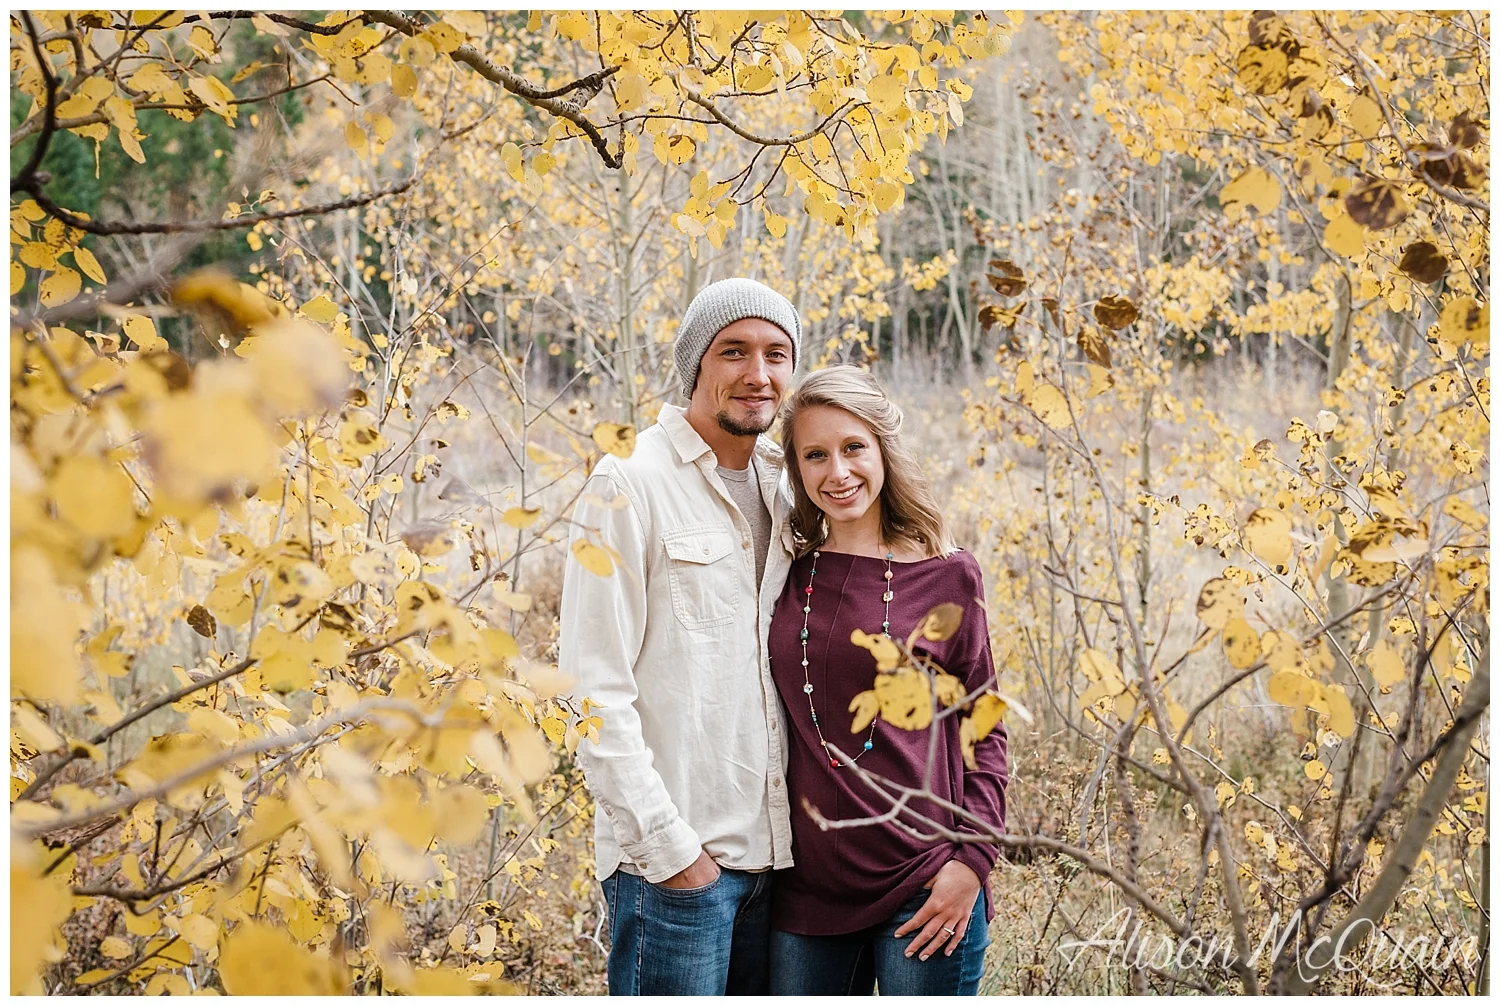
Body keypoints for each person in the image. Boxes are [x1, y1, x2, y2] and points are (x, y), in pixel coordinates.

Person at [558, 278, 804, 995]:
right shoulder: (628, 484)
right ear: (696, 362)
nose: (758, 374)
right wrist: (670, 853)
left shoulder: (791, 486)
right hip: (676, 873)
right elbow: (590, 690)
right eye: (734, 351)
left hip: (778, 866)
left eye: (776, 354)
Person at [766, 365, 1009, 996]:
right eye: (815, 455)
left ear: (883, 450)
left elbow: (984, 728)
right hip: (807, 893)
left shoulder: (948, 575)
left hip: (925, 880)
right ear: (796, 468)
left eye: (853, 448)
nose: (837, 472)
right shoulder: (786, 572)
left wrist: (973, 861)